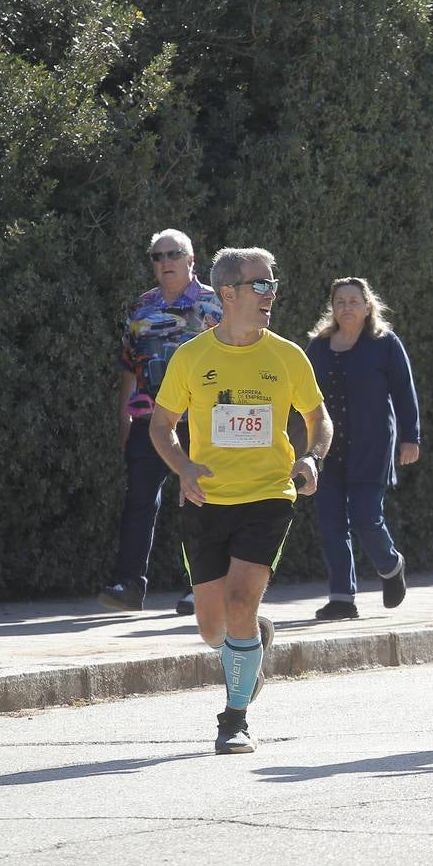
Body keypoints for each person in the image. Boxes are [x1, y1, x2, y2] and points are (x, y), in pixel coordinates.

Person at [150, 247, 331, 755]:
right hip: (206, 500)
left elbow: (320, 419)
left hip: (268, 495)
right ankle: (251, 640)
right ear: (228, 293)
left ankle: (233, 720)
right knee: (214, 628)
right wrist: (183, 466)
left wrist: (312, 457)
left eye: (273, 284)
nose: (271, 294)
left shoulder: (287, 355)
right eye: (261, 285)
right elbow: (161, 425)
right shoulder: (192, 357)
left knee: (239, 603)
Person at [99, 229, 221, 615]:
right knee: (138, 501)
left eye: (173, 254)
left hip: (201, 424)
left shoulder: (215, 306)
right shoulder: (141, 307)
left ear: (191, 259)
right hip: (149, 422)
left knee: (201, 503)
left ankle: (200, 587)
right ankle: (129, 585)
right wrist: (124, 421)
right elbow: (129, 368)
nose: (165, 262)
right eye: (157, 256)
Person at [305, 277, 421, 620]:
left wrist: (411, 436)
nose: (347, 307)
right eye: (340, 301)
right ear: (333, 308)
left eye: (354, 301)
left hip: (372, 446)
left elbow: (403, 390)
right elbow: (301, 394)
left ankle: (390, 565)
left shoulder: (384, 343)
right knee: (330, 522)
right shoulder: (319, 346)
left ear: (368, 305)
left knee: (366, 518)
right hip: (326, 448)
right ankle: (342, 597)